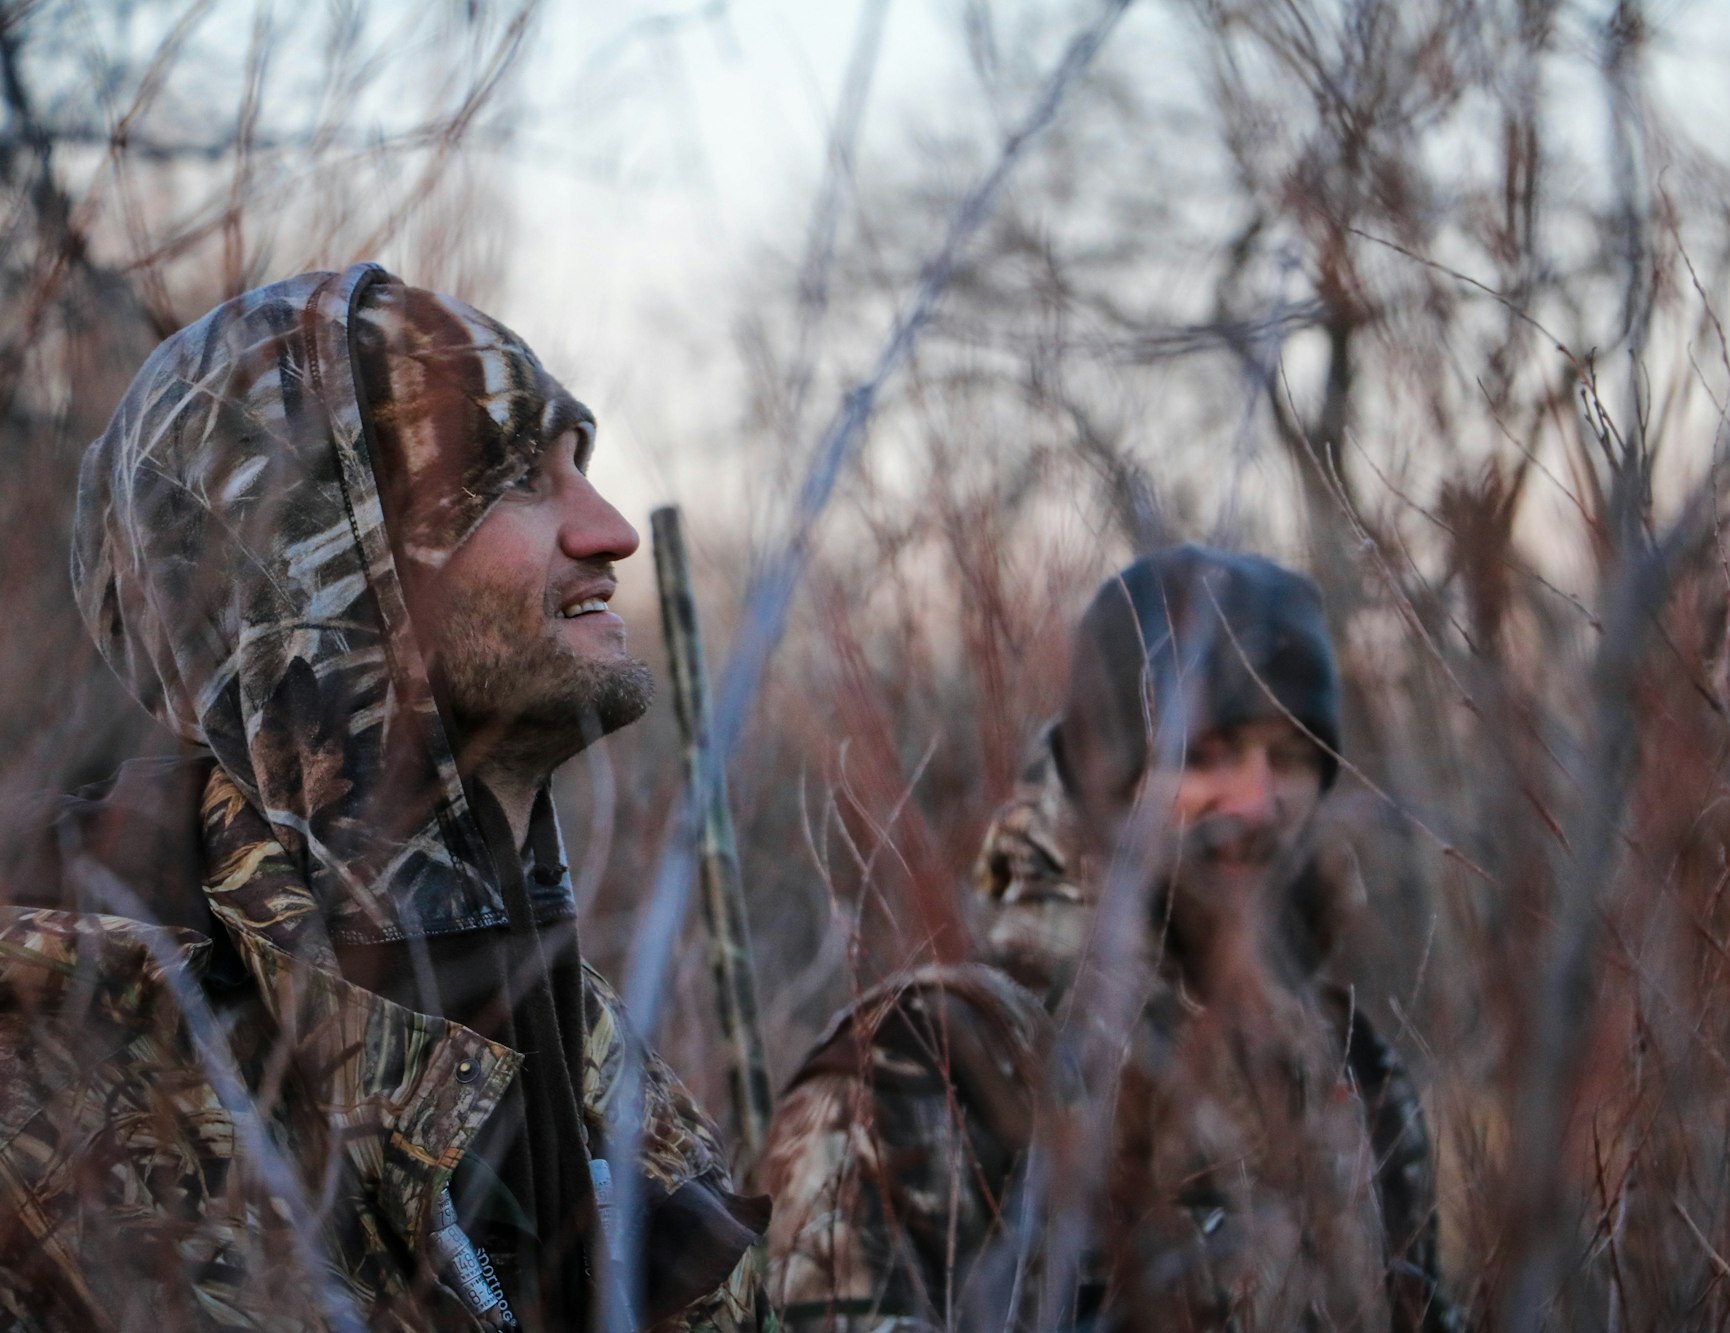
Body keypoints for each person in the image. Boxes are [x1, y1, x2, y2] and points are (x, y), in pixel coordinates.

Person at [0, 265, 766, 1331]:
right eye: (513, 481)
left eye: (579, 466)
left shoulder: (618, 1077)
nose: (609, 530)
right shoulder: (73, 1077)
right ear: (314, 572)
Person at [761, 545, 1457, 1332]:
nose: (1259, 800)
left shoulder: (1354, 1071)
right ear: (1108, 777)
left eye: (1294, 755)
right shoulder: (929, 1064)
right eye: (1207, 753)